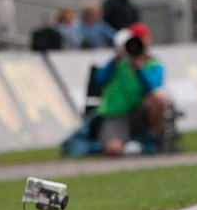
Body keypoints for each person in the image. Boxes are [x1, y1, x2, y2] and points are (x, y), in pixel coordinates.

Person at [61, 23, 168, 156]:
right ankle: (134, 148)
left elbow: (151, 87)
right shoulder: (119, 61)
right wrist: (115, 60)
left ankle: (153, 138)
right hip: (117, 113)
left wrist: (139, 69)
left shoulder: (154, 64)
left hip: (139, 113)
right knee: (113, 149)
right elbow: (99, 80)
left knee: (159, 97)